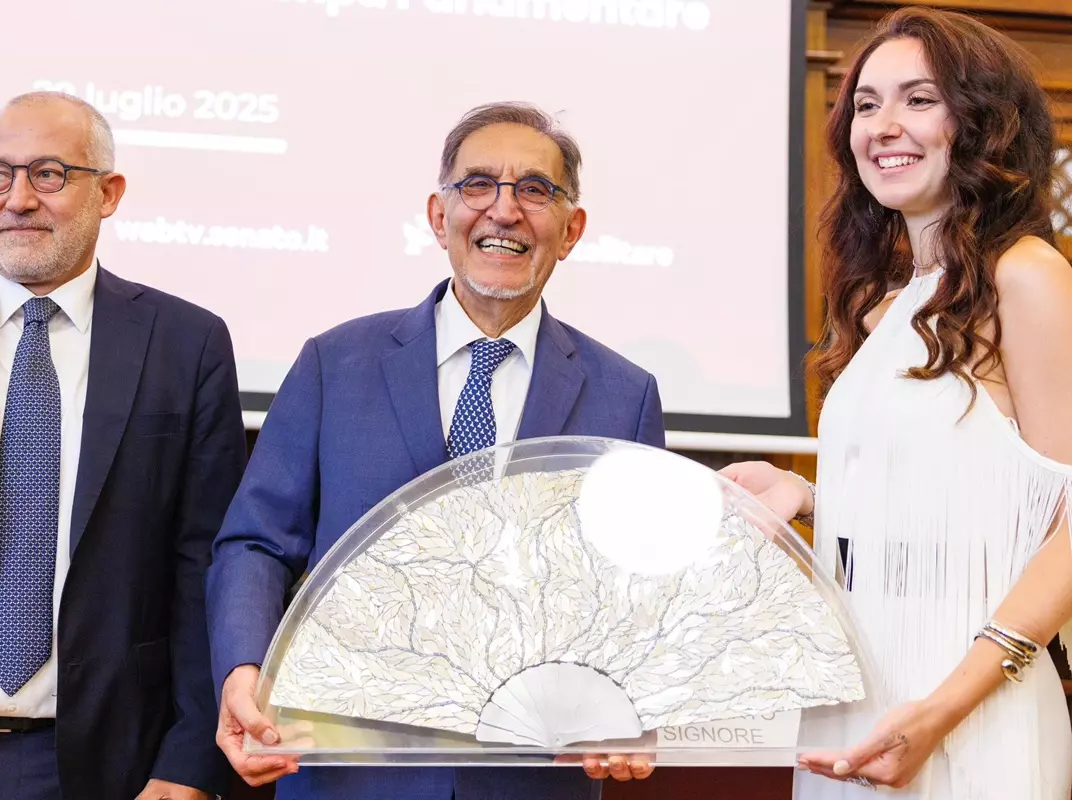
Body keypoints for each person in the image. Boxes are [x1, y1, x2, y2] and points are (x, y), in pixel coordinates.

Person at [207, 101, 662, 800]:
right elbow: (256, 544)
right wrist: (244, 669)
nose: (503, 210)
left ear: (571, 230)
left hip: (532, 783)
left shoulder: (624, 395)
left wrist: (635, 697)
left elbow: (642, 591)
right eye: (478, 185)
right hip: (348, 776)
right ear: (437, 215)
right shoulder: (335, 363)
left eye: (534, 189)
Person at [723, 7, 1072, 799]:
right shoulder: (884, 298)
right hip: (853, 702)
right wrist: (805, 495)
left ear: (982, 121)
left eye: (919, 99)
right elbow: (962, 495)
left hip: (968, 711)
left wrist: (942, 711)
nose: (883, 125)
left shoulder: (1028, 276)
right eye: (866, 104)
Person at [0, 92, 247, 799]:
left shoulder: (187, 342)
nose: (17, 199)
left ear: (108, 193)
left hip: (112, 762)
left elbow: (207, 565)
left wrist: (189, 760)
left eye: (48, 174)